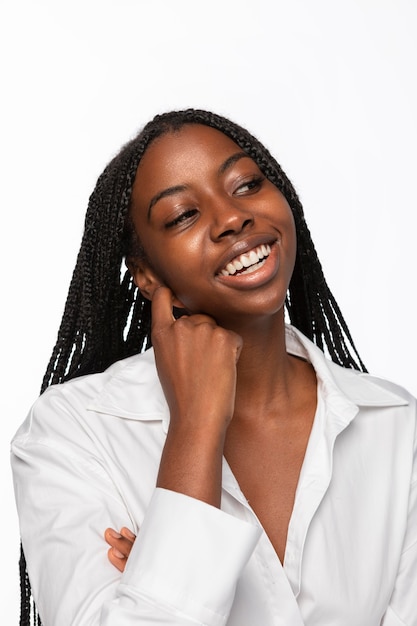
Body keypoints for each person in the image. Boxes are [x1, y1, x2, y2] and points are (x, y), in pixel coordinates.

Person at [11, 109, 416, 626]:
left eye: (247, 184)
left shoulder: (397, 426)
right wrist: (196, 426)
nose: (232, 218)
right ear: (146, 274)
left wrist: (166, 568)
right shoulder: (71, 434)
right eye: (183, 215)